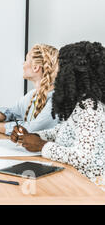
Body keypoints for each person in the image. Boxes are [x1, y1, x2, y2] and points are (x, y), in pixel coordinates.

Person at [11, 41, 105, 187]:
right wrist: (35, 136)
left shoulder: (91, 108)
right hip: (73, 179)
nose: (57, 72)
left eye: (61, 67)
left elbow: (84, 158)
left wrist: (42, 145)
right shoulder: (82, 100)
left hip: (88, 187)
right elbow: (65, 131)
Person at [0, 44, 59, 135]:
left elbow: (30, 129)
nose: (23, 64)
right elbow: (12, 112)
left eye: (26, 60)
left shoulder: (56, 100)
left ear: (35, 68)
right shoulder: (33, 94)